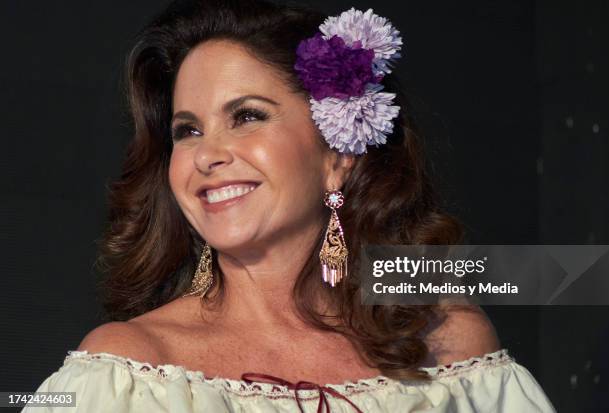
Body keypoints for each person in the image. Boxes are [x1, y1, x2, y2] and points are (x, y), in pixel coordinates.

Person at [22, 0, 556, 411]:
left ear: (338, 154)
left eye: (248, 116)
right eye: (187, 131)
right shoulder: (127, 369)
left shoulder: (451, 343)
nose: (207, 155)